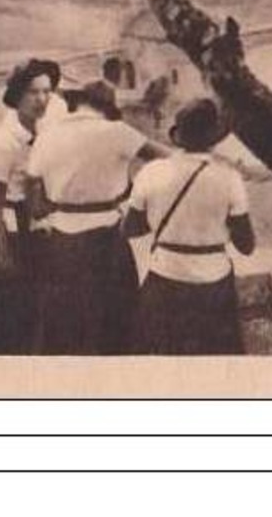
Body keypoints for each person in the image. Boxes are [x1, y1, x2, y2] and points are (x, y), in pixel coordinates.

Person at [25, 80, 167, 355]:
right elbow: (167, 159)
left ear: (75, 103)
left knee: (65, 327)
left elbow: (36, 205)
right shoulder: (116, 132)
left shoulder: (46, 137)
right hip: (108, 238)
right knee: (115, 327)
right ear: (106, 107)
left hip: (62, 242)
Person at [123, 98, 256, 355]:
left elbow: (132, 228)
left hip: (165, 279)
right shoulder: (228, 177)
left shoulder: (151, 172)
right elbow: (246, 246)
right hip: (213, 284)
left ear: (179, 137)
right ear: (214, 139)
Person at [0, 58, 59, 355]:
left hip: (35, 238)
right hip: (10, 242)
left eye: (47, 92)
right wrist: (6, 264)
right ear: (17, 95)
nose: (42, 99)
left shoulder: (41, 135)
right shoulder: (3, 143)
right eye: (34, 92)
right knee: (5, 325)